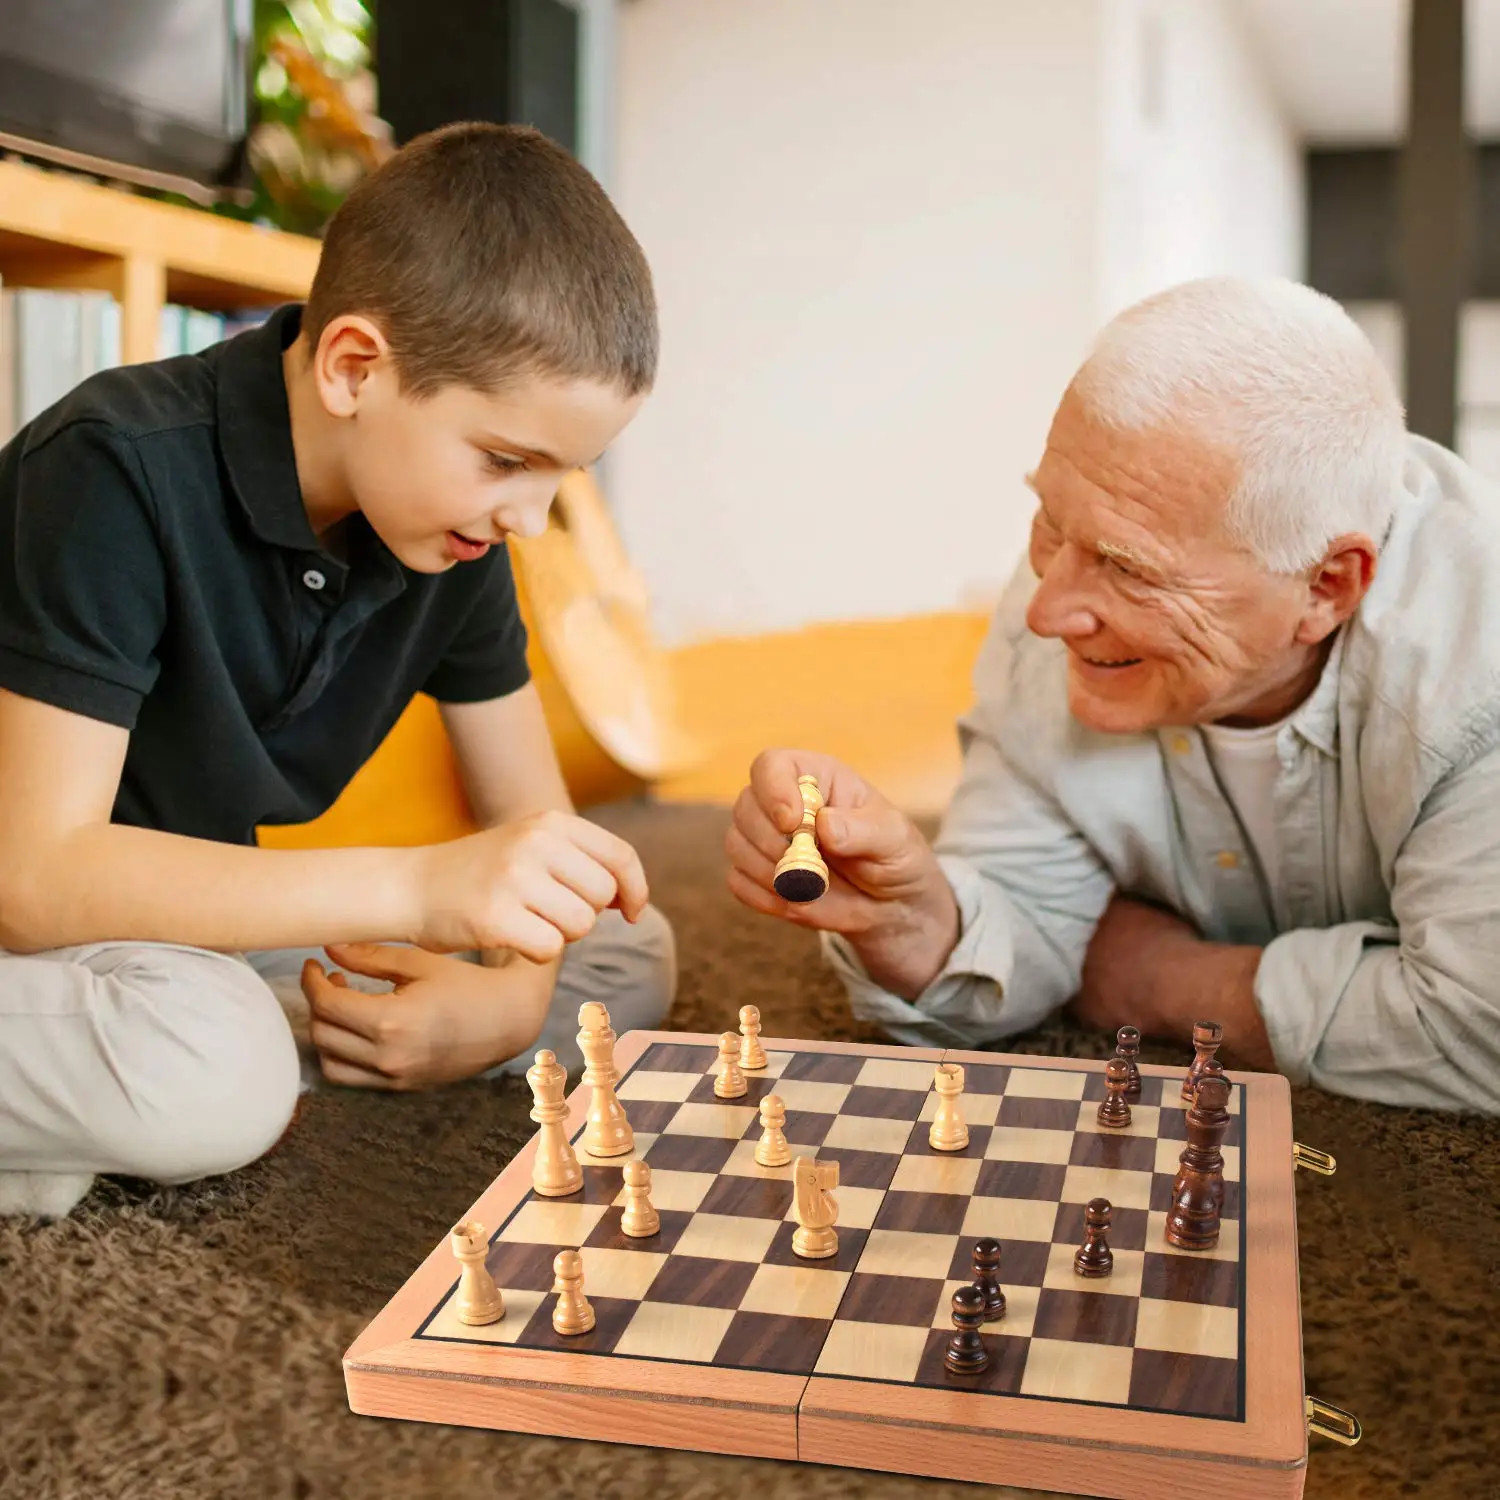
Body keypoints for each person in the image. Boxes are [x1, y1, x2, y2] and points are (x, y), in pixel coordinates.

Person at [0, 124, 676, 1219]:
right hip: (38, 903)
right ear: (354, 366)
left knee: (626, 949)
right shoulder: (114, 467)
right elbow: (33, 883)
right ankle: (199, 1066)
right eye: (507, 460)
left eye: (564, 475)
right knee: (217, 1067)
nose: (531, 516)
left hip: (162, 932)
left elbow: (538, 830)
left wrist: (507, 1007)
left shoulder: (453, 535)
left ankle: (116, 1097)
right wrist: (421, 889)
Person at [731, 275, 1499, 1115]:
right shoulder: (1050, 617)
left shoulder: (1476, 669)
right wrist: (912, 921)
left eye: (1127, 567)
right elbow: (1021, 926)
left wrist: (1153, 979)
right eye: (1049, 526)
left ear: (1325, 585)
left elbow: (1477, 1027)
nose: (1048, 608)